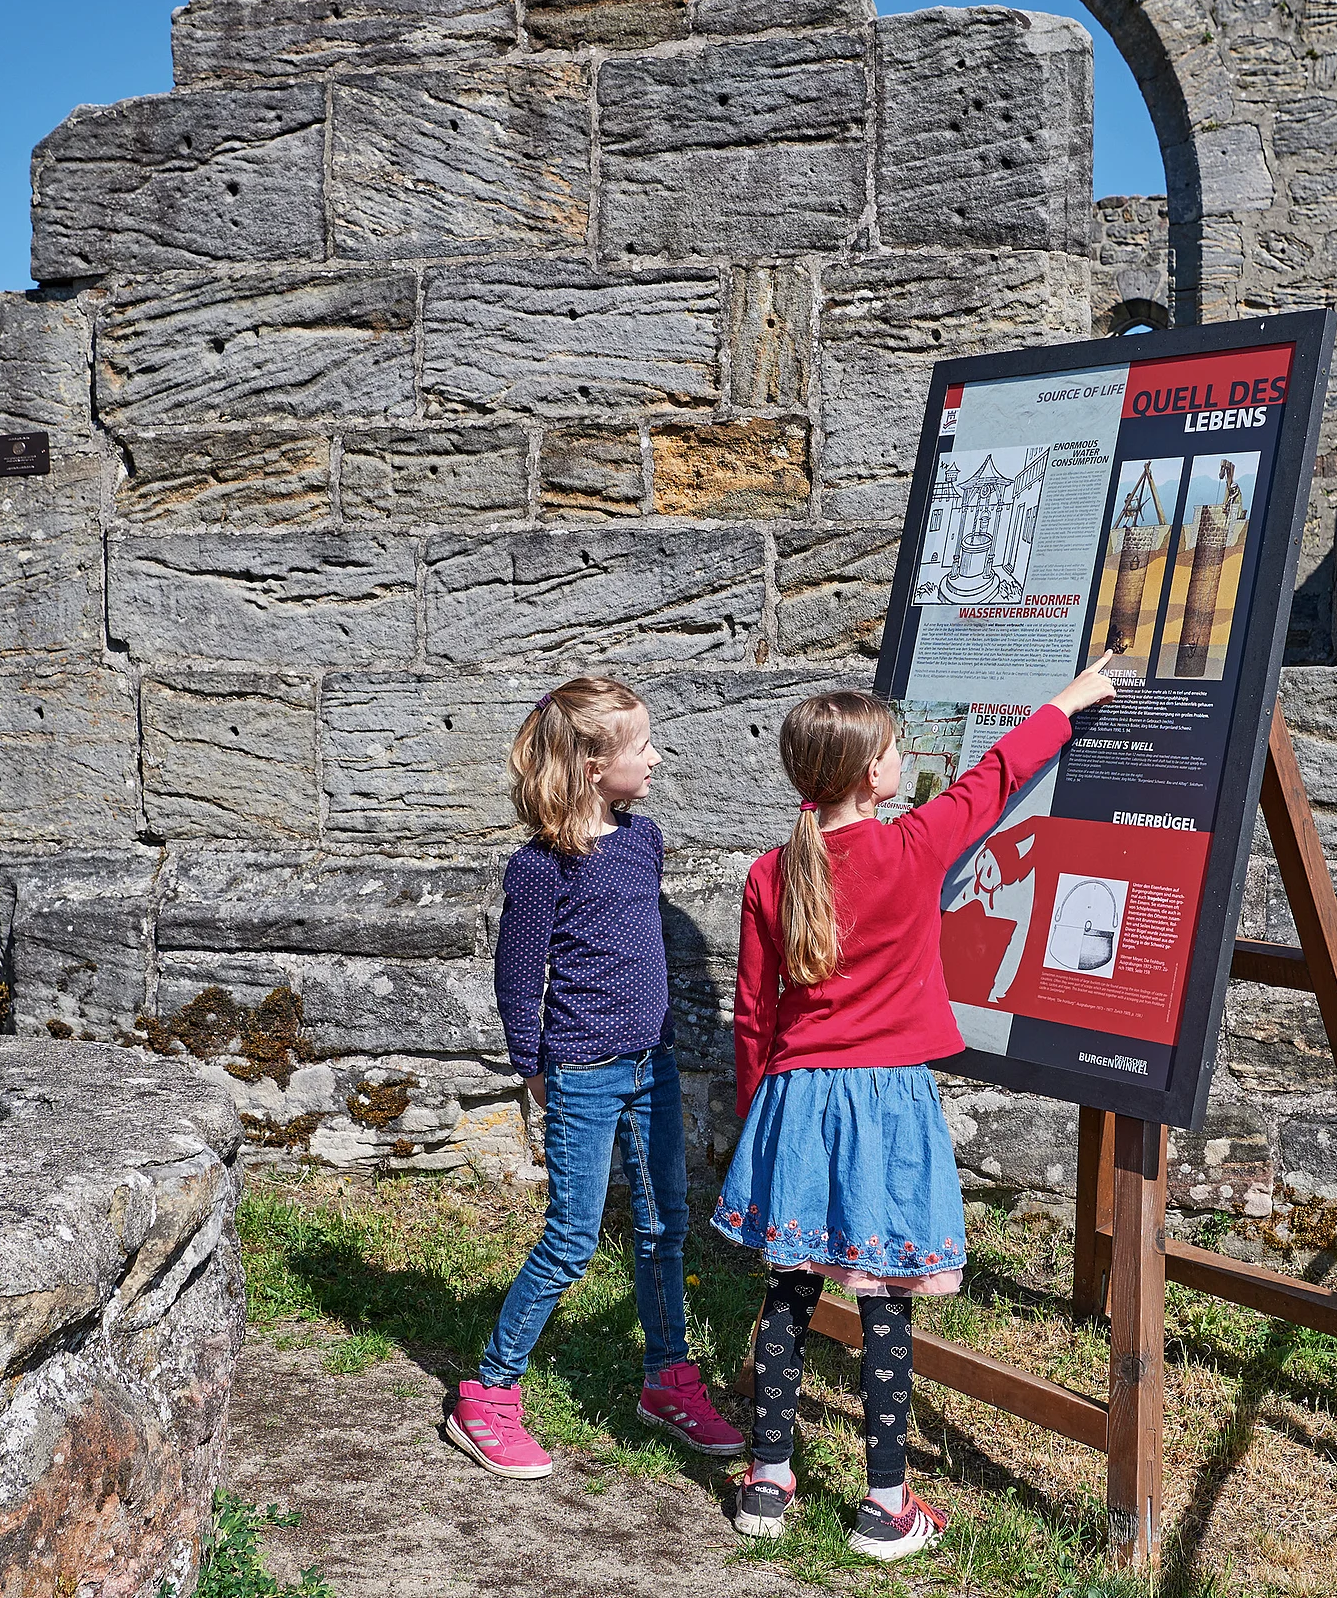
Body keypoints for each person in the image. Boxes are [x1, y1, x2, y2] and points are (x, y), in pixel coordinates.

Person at [713, 655, 1119, 1559]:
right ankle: (886, 1504)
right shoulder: (914, 844)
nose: (904, 761)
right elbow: (998, 776)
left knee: (789, 1293)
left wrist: (759, 1118)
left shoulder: (769, 873)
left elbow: (753, 1014)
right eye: (895, 750)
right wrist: (1066, 701)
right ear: (872, 775)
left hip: (793, 1099)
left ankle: (768, 1483)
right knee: (885, 1301)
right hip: (886, 1104)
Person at [445, 677, 744, 1480]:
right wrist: (530, 1063)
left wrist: (666, 1045)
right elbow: (518, 974)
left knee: (663, 1227)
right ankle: (487, 1393)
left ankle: (667, 1378)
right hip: (582, 1069)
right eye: (640, 746)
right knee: (573, 1239)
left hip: (654, 1065)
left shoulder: (642, 842)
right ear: (588, 764)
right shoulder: (541, 867)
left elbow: (645, 954)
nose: (653, 758)